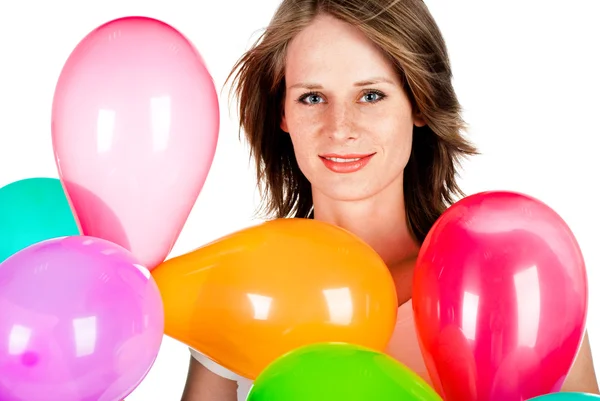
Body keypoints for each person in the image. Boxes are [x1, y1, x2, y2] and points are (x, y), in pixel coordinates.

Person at [180, 0, 599, 399]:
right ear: (283, 113)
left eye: (371, 95)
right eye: (312, 97)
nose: (340, 128)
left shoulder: (513, 276)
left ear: (418, 102)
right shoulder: (241, 296)